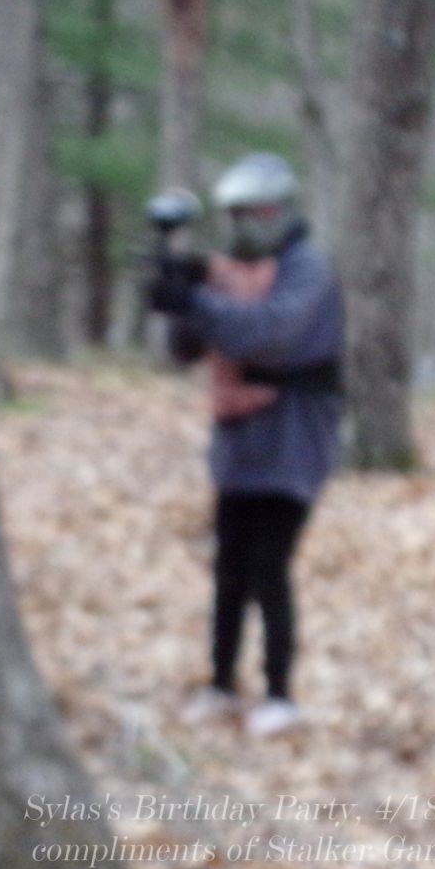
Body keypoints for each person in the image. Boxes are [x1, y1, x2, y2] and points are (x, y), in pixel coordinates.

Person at [148, 152, 343, 738]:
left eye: (256, 212)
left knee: (268, 566)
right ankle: (221, 684)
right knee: (229, 567)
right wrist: (179, 294)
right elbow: (186, 350)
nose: (247, 226)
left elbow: (266, 334)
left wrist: (197, 301)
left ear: (282, 210)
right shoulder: (229, 271)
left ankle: (280, 694)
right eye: (237, 215)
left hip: (295, 436)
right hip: (238, 440)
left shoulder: (308, 270)